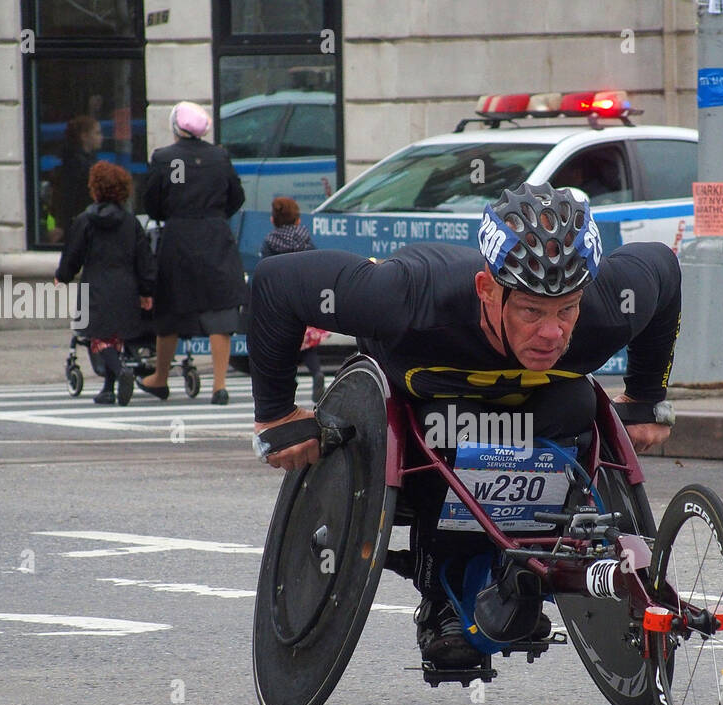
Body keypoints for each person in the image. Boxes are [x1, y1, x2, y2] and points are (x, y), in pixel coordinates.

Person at [249, 182, 679, 668]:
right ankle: (445, 594)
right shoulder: (405, 297)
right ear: (487, 290)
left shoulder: (609, 307)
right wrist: (278, 414)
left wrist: (646, 399)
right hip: (430, 411)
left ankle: (530, 564)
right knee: (447, 430)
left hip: (539, 408)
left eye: (567, 310)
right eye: (531, 311)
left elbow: (663, 266)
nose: (552, 332)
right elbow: (275, 283)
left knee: (578, 407)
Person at [138, 100, 246, 406]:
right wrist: (213, 214)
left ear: (176, 127)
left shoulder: (167, 158)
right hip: (215, 235)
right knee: (220, 309)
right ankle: (219, 385)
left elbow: (153, 203)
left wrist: (178, 211)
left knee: (170, 308)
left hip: (179, 237)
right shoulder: (219, 156)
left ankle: (160, 378)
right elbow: (236, 196)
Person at [55, 161, 156, 404]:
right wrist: (146, 290)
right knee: (115, 338)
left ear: (95, 188)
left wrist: (63, 275)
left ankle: (121, 373)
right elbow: (144, 260)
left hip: (95, 286)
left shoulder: (85, 220)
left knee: (96, 337)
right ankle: (108, 387)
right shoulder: (131, 223)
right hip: (125, 286)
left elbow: (73, 254)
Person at [260, 195, 326, 402]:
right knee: (308, 348)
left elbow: (265, 271)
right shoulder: (305, 238)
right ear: (298, 220)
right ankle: (317, 373)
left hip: (280, 302)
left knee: (284, 347)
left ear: (273, 220)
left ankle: (290, 384)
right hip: (304, 300)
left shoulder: (270, 242)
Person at [47, 115, 102, 242]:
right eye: (97, 133)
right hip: (75, 224)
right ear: (84, 136)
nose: (101, 137)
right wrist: (63, 226)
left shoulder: (84, 161)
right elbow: (67, 197)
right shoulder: (76, 165)